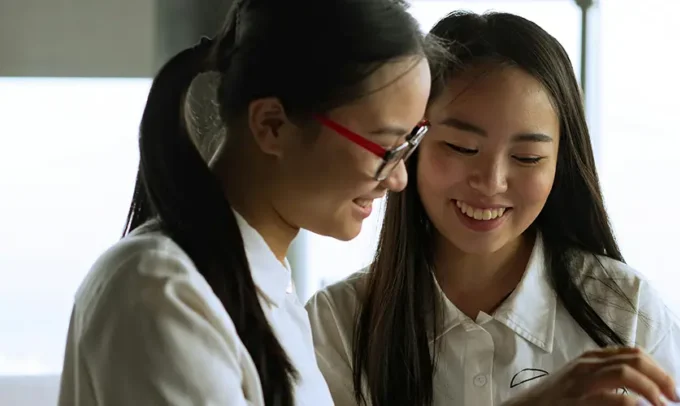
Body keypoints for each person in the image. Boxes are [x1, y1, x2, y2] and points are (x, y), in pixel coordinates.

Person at [307, 10, 680, 406]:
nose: (491, 182)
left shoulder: (625, 310)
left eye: (527, 157)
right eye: (461, 148)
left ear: (561, 164)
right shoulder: (337, 323)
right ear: (412, 146)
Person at [57, 0, 435, 404]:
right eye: (384, 148)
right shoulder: (163, 290)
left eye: (409, 144)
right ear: (272, 125)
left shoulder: (268, 297)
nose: (398, 179)